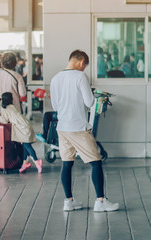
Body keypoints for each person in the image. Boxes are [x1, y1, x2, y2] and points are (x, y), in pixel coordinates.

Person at [50, 49, 119, 212]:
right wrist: (94, 97)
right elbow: (89, 102)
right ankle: (100, 201)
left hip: (62, 128)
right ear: (82, 63)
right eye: (84, 66)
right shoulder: (80, 76)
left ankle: (69, 201)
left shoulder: (55, 78)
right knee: (96, 163)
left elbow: (55, 106)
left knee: (67, 163)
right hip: (78, 127)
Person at [0, 92, 42, 173]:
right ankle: (25, 163)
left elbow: (4, 120)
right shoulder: (12, 107)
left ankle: (37, 162)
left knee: (27, 145)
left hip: (22, 128)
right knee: (25, 145)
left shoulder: (5, 109)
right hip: (25, 125)